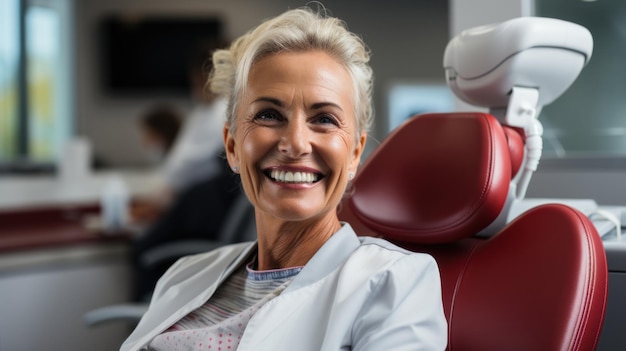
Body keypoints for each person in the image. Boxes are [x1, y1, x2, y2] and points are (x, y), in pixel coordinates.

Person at [121, 6, 447, 351]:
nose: (294, 143)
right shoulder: (183, 276)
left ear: (354, 154)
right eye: (268, 114)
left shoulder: (395, 284)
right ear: (232, 146)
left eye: (324, 119)